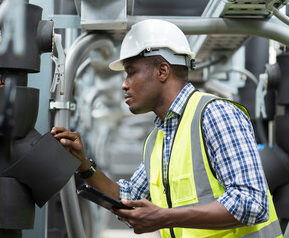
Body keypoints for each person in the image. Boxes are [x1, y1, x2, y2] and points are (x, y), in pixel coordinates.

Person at [51, 19, 282, 238]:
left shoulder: (215, 114)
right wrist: (84, 166)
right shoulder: (157, 139)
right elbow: (129, 197)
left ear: (162, 71)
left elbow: (252, 203)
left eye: (131, 72)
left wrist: (165, 217)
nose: (124, 84)